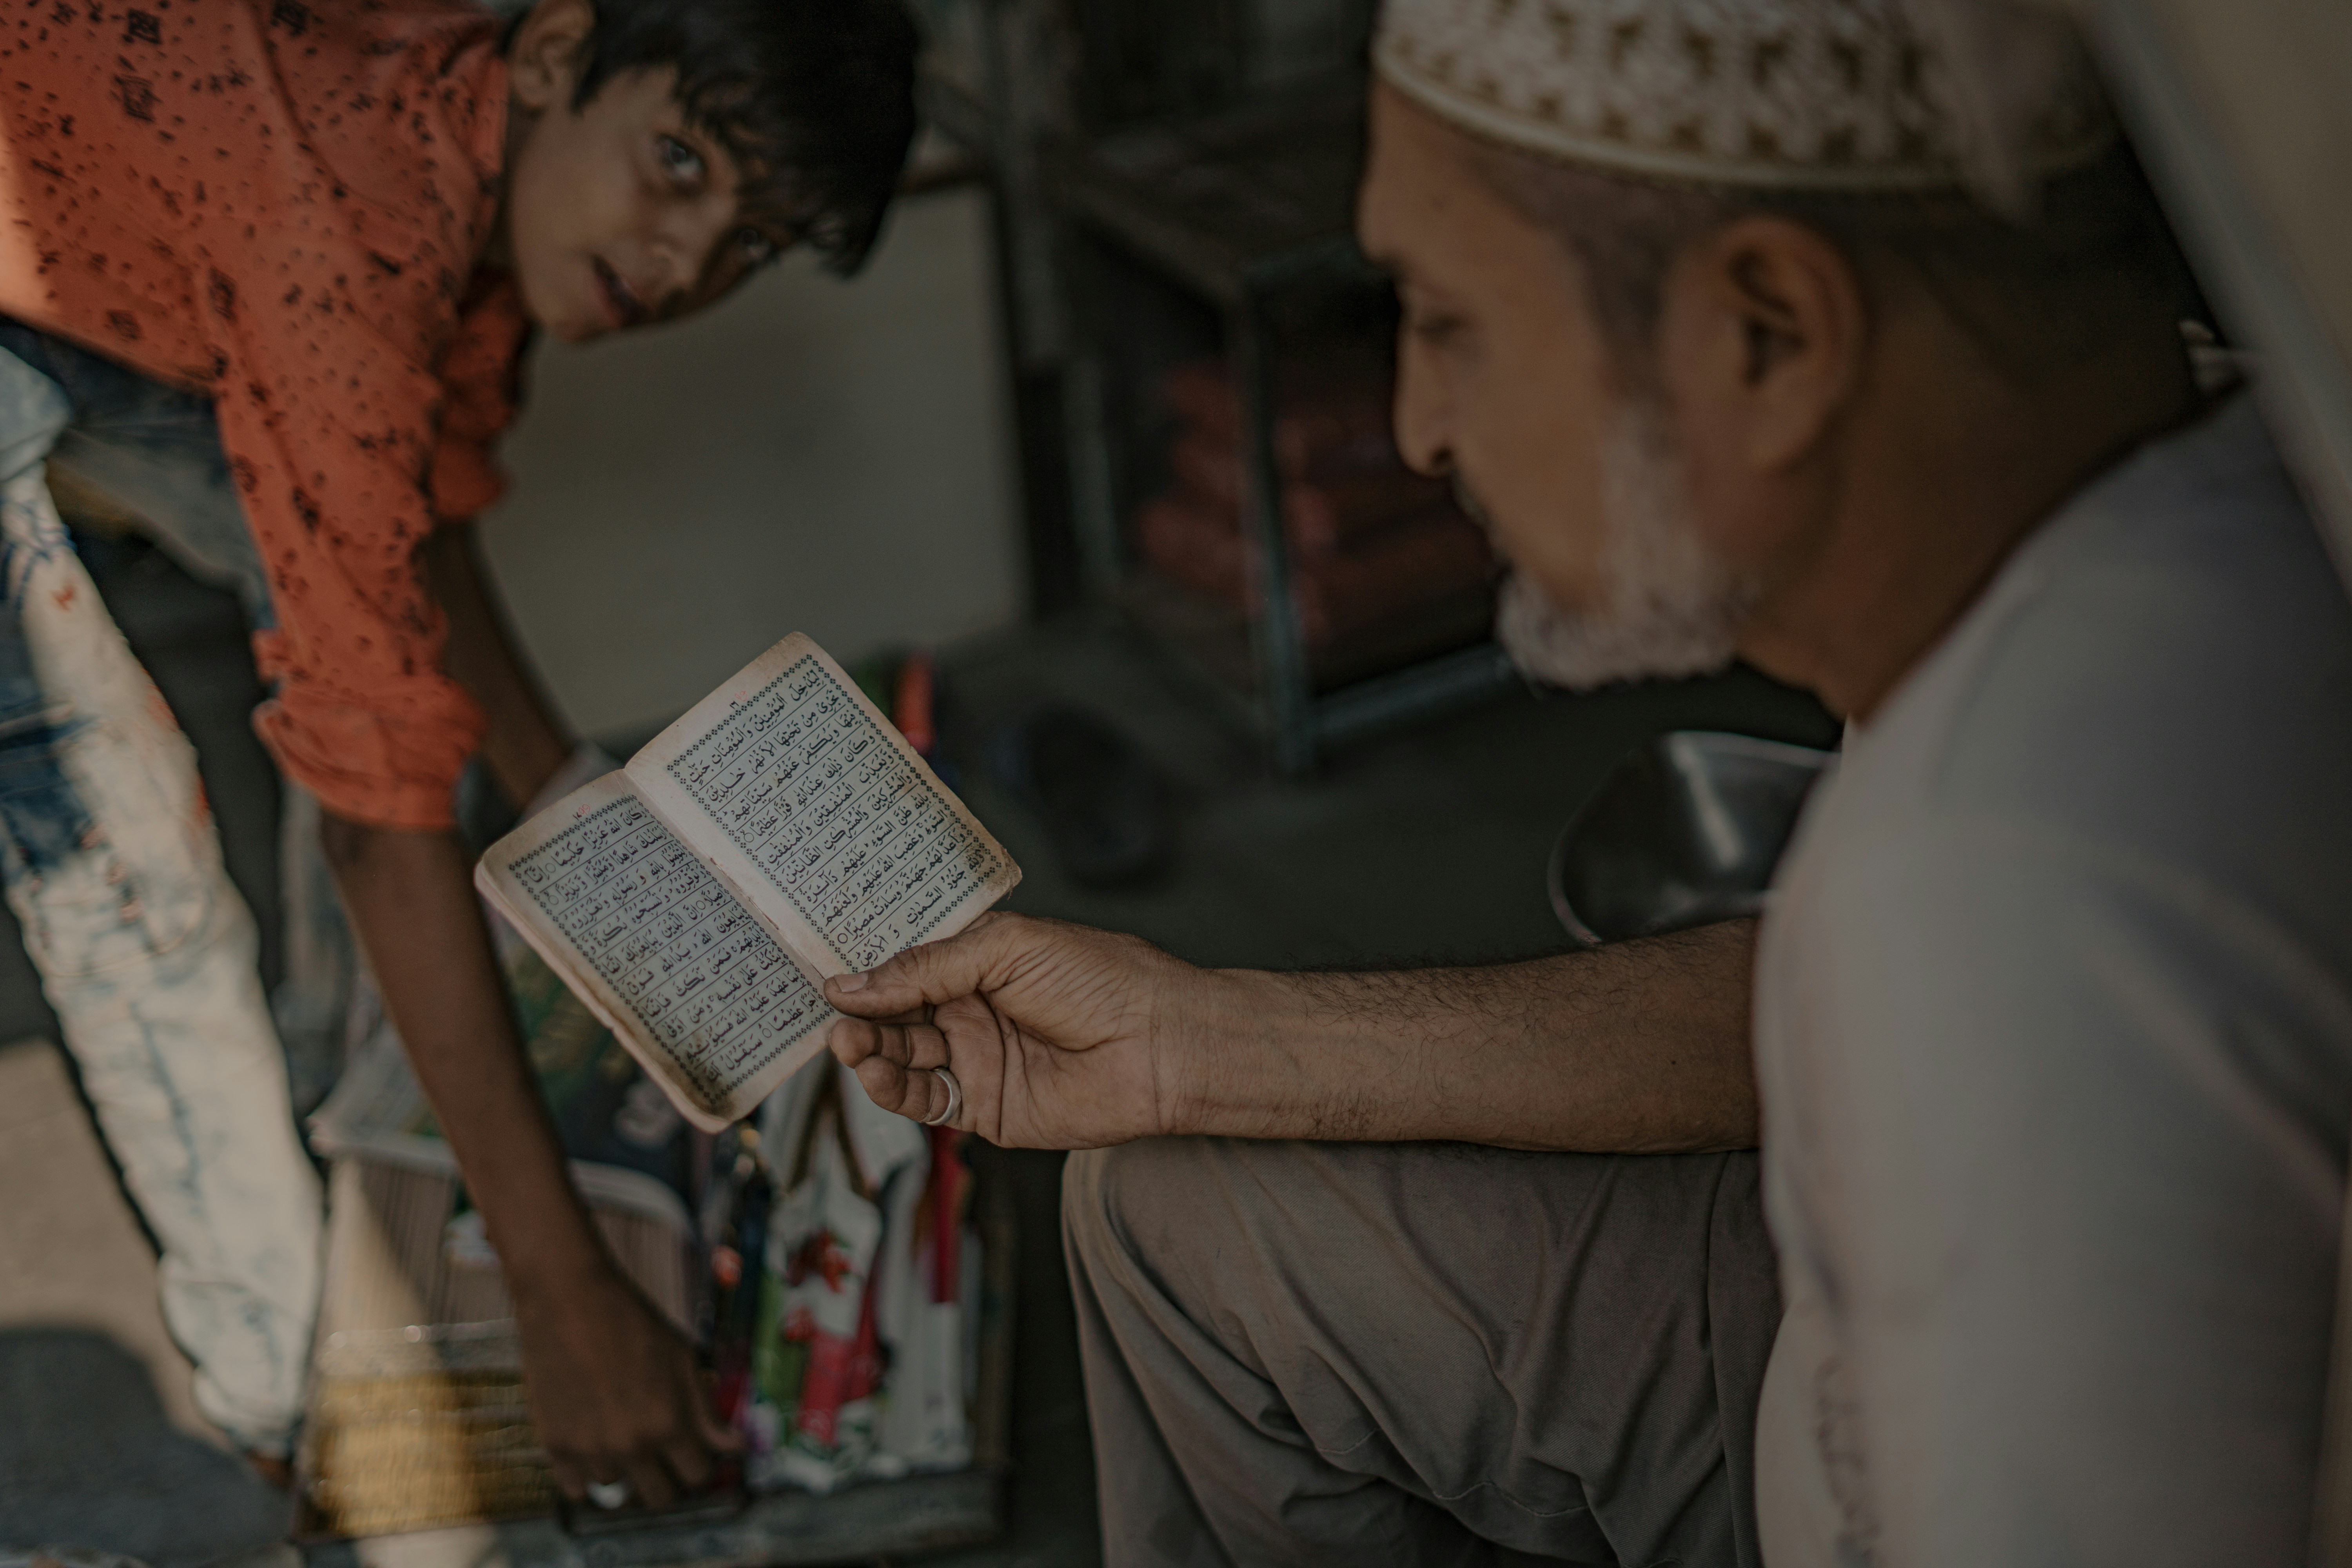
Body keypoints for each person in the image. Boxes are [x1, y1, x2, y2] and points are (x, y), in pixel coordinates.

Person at [824, 0, 2352, 1562]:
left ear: (1770, 334)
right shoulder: (2205, 491)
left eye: (1445, 320)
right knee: (1167, 1205)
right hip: (1805, 1319)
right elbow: (1795, 1007)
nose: (1418, 428)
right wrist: (1186, 1045)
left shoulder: (1994, 872)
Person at [0, 0, 916, 1503]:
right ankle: (287, 1390)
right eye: (680, 163)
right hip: (88, 236)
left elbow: (413, 553)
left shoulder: (481, 204)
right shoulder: (350, 239)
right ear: (555, 56)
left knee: (368, 657)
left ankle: (339, 1100)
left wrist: (599, 832)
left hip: (127, 230)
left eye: (747, 243)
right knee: (122, 850)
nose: (689, 264)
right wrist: (564, 1304)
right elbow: (378, 815)